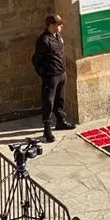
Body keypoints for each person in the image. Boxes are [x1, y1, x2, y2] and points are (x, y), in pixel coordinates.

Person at [32, 13, 75, 143]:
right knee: (48, 101)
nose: (61, 26)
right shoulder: (44, 40)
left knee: (60, 99)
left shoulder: (58, 37)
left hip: (61, 73)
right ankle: (47, 128)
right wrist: (44, 74)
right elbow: (36, 60)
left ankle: (61, 121)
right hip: (50, 76)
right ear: (51, 25)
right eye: (58, 24)